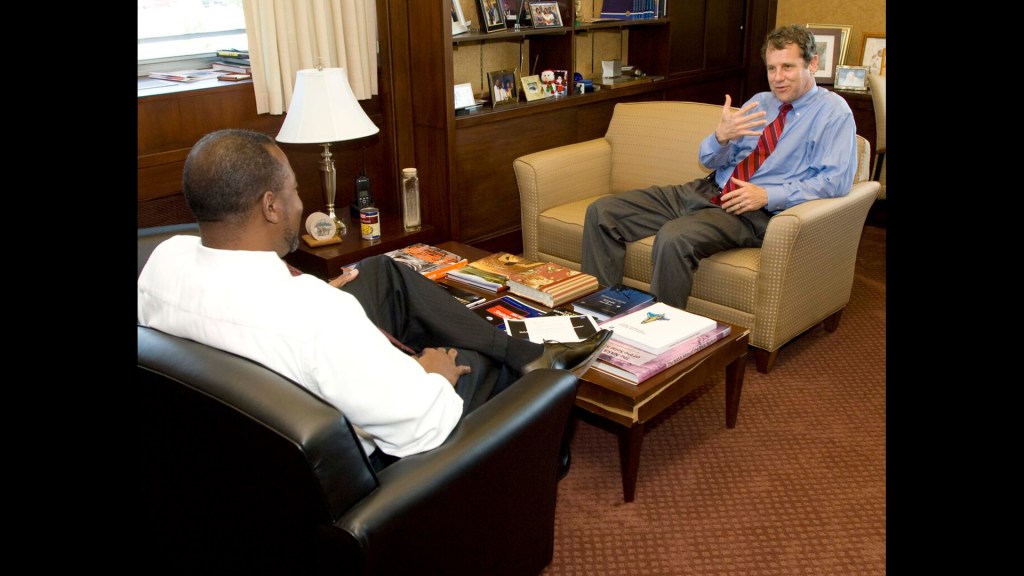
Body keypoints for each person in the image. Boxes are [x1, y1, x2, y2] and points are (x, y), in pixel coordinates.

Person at [138, 129, 612, 471]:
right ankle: (540, 412)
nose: (300, 203)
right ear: (270, 206)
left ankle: (526, 356)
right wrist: (433, 375)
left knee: (383, 272)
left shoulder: (162, 260)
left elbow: (244, 318)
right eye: (295, 191)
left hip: (238, 425)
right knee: (473, 361)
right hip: (372, 448)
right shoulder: (316, 315)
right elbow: (422, 424)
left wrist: (316, 294)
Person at [580, 24, 857, 309]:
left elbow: (835, 181)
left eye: (787, 67)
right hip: (707, 189)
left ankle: (661, 338)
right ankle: (599, 313)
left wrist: (768, 195)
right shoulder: (761, 102)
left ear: (812, 64)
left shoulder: (833, 113)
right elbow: (708, 160)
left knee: (675, 237)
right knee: (603, 212)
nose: (778, 78)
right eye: (772, 69)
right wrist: (720, 138)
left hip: (752, 212)